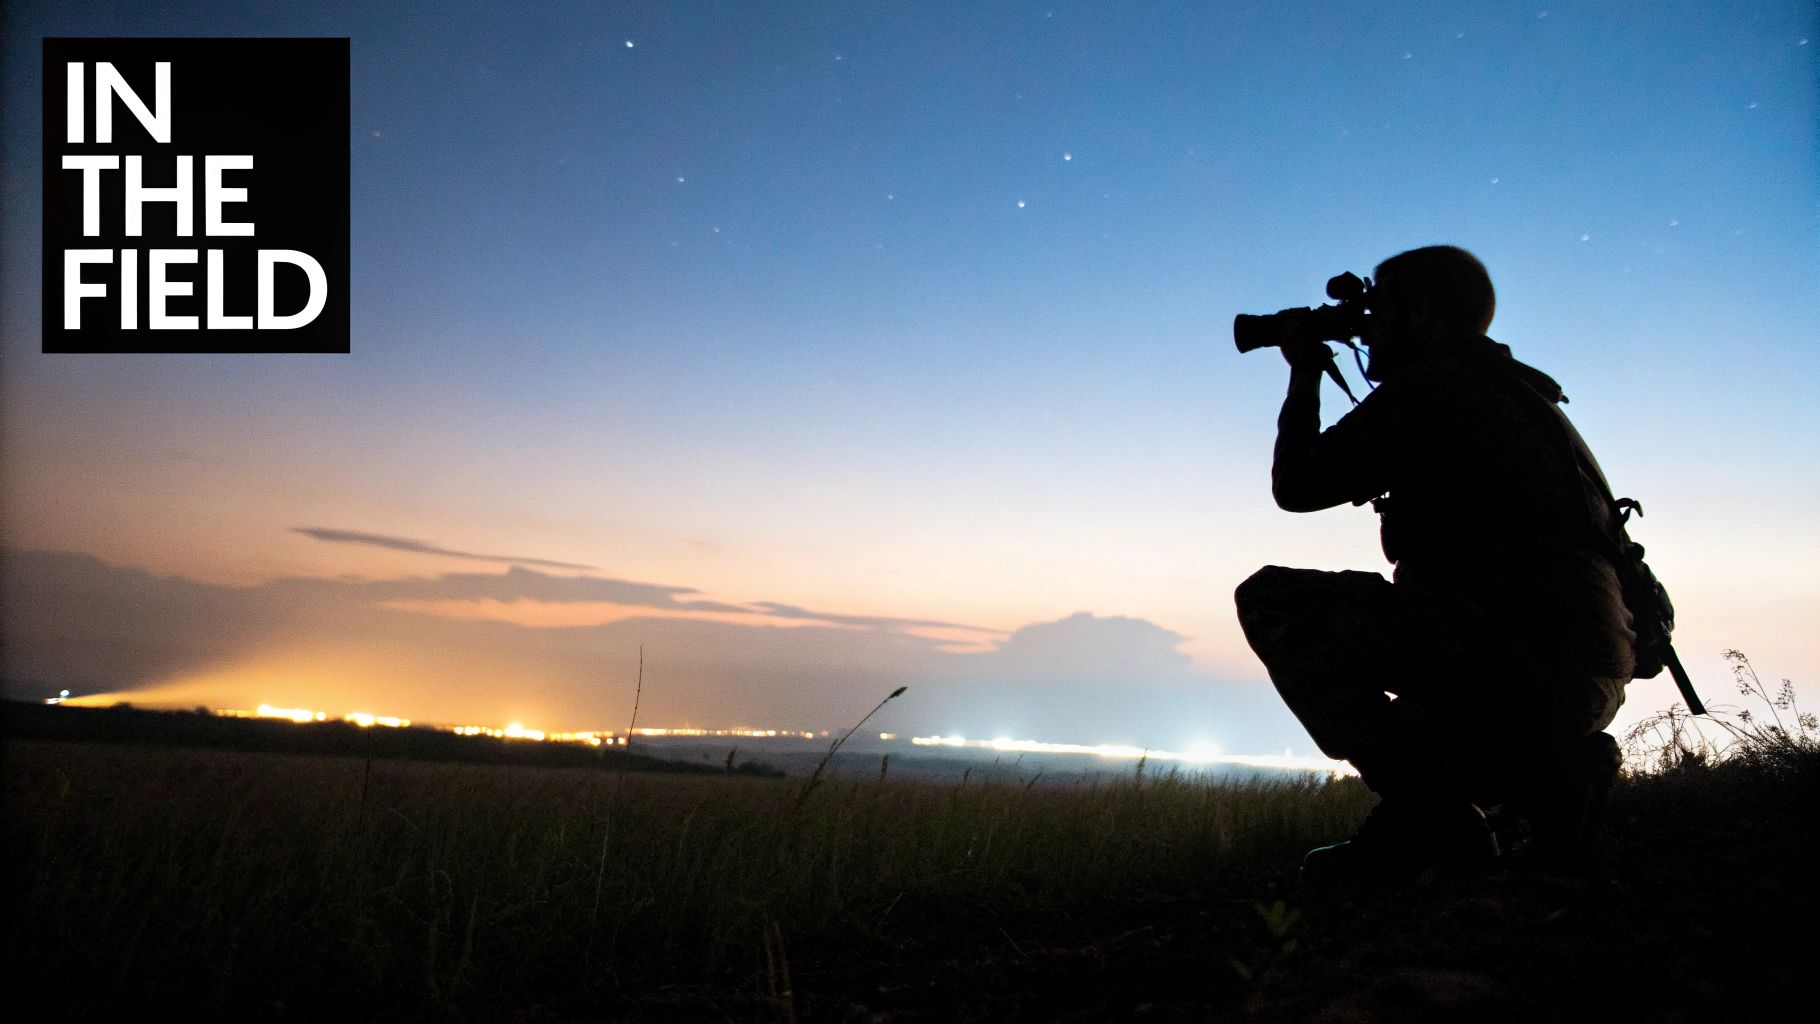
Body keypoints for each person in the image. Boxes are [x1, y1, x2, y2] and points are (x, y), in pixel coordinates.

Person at [1234, 245, 1630, 879]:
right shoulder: (1524, 397)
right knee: (1424, 696)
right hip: (1581, 679)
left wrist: (1304, 365)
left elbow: (1298, 486)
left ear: (1420, 314)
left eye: (1378, 308)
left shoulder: (1438, 386)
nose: (1366, 324)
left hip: (1520, 665)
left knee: (1272, 601)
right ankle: (1556, 776)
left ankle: (1437, 819)